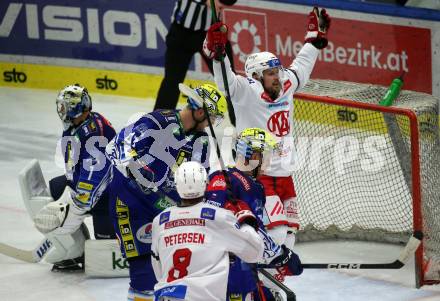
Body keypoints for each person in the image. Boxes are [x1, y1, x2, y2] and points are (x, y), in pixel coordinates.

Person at [204, 6, 331, 251]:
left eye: (277, 71)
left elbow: (301, 65)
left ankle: (273, 281)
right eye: (270, 73)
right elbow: (225, 79)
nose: (277, 77)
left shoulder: (287, 84)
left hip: (285, 173)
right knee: (278, 233)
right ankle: (252, 267)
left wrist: (313, 41)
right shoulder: (244, 91)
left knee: (290, 237)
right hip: (258, 175)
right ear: (256, 76)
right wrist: (218, 55)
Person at [105, 83, 227, 301]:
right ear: (200, 112)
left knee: (177, 261)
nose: (212, 124)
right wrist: (137, 171)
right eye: (212, 117)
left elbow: (199, 178)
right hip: (129, 201)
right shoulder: (156, 121)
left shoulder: (201, 141)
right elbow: (114, 149)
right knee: (142, 269)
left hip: (164, 203)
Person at [206, 128, 303, 300]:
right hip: (225, 271)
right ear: (255, 157)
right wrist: (280, 256)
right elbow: (247, 229)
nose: (269, 162)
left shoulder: (241, 182)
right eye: (266, 156)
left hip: (225, 265)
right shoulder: (237, 183)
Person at [31, 84, 116, 270]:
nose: (60, 111)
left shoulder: (92, 133)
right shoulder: (82, 123)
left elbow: (97, 177)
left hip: (106, 196)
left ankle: (79, 251)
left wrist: (76, 207)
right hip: (91, 185)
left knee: (106, 250)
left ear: (74, 109)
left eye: (63, 106)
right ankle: (75, 248)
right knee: (55, 187)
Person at [151, 161, 264, 301]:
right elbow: (255, 252)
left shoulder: (160, 220)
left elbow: (158, 269)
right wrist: (245, 219)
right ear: (205, 183)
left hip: (166, 296)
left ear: (177, 185)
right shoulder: (219, 217)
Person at [154, 0, 237, 125]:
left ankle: (243, 126)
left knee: (229, 82)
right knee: (172, 81)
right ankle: (158, 124)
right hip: (181, 32)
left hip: (211, 34)